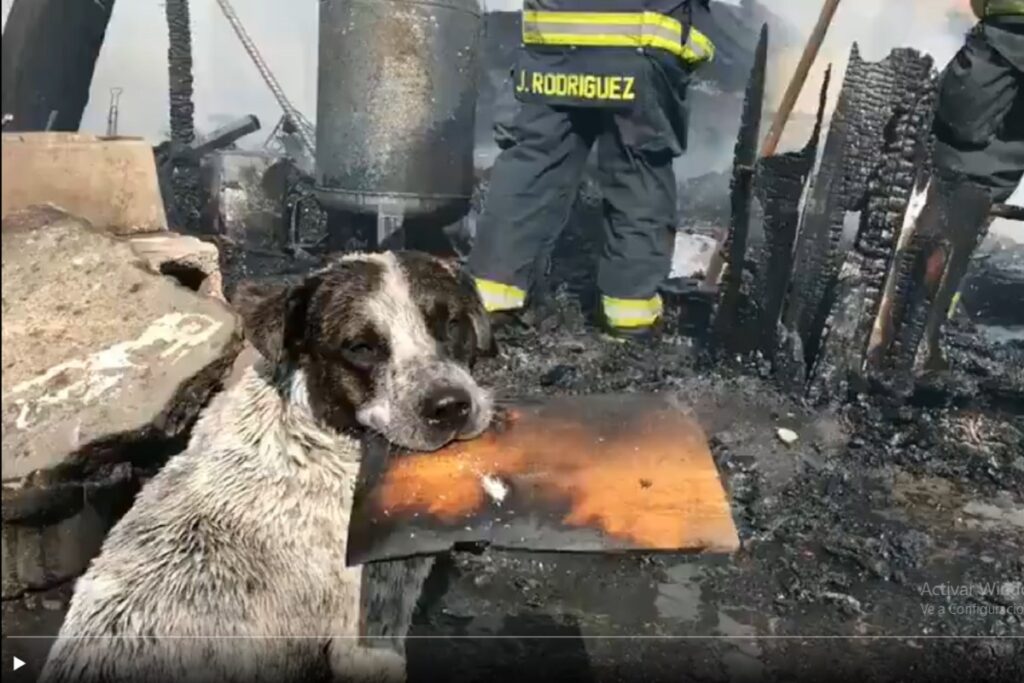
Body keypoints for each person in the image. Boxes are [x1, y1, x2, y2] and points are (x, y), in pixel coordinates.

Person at [468, 0, 715, 340]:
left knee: (532, 167)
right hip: (641, 44)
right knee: (638, 173)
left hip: (551, 45)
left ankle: (488, 302)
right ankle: (630, 319)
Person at [918, 0, 1023, 367]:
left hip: (1006, 32)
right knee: (977, 182)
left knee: (958, 176)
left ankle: (906, 331)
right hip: (1005, 30)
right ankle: (918, 331)